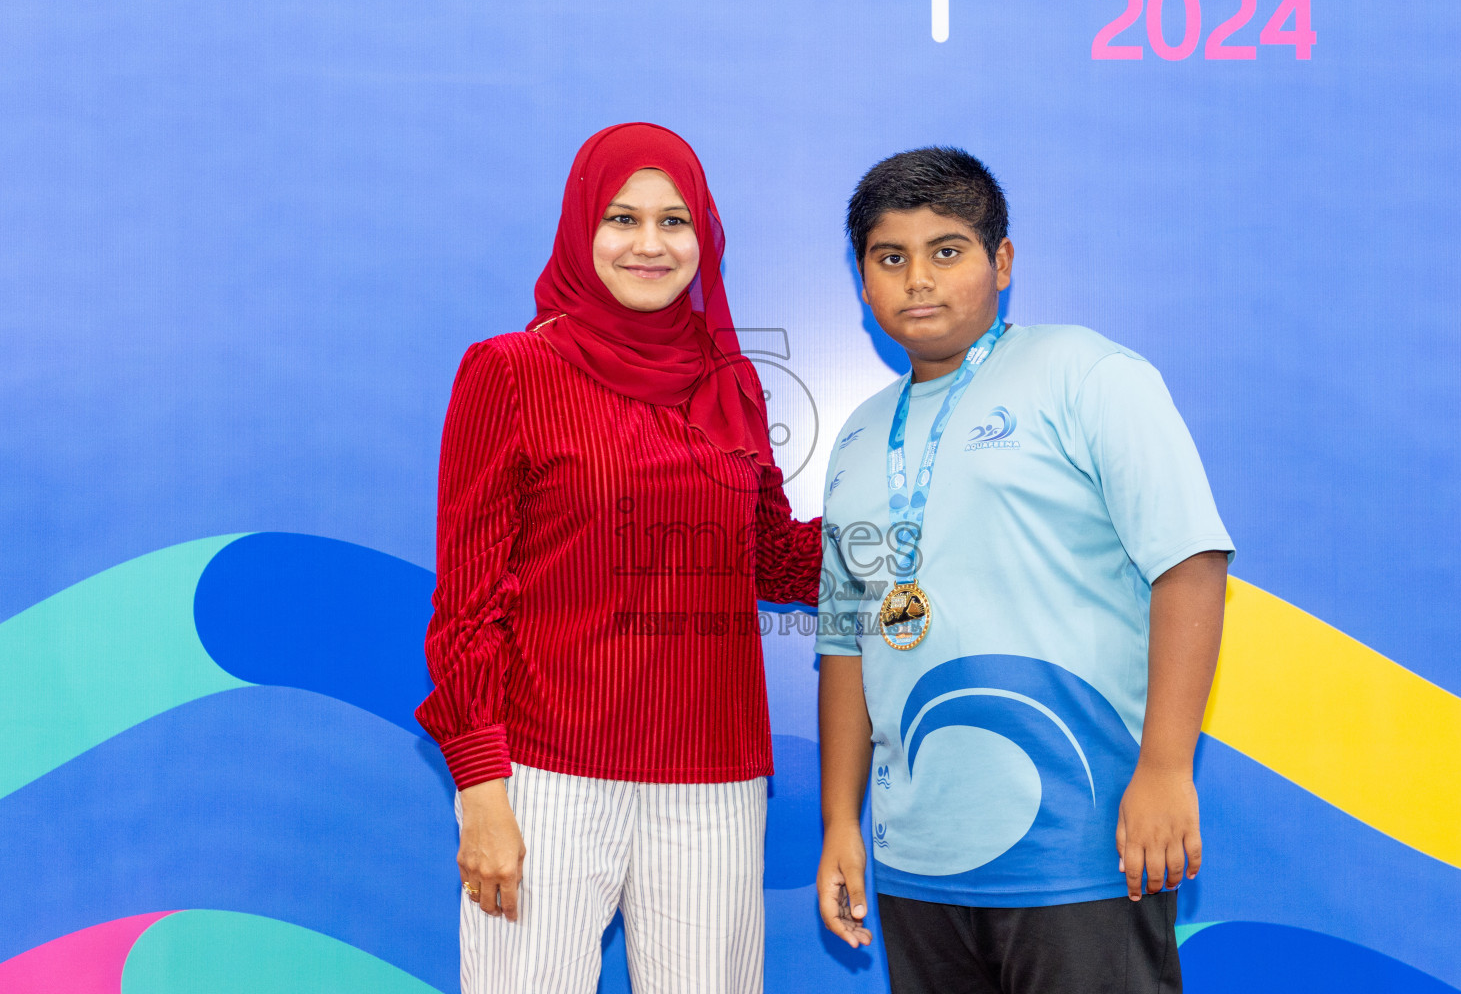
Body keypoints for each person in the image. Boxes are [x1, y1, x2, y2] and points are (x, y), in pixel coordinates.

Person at [416, 122, 822, 994]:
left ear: (703, 238)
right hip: (546, 773)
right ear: (579, 229)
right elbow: (468, 603)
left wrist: (929, 526)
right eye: (622, 218)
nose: (649, 244)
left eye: (674, 221)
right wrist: (482, 787)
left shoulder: (733, 379)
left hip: (714, 777)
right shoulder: (510, 372)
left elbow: (775, 563)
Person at [815, 147, 1233, 994]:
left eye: (948, 250)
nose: (919, 280)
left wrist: (1164, 768)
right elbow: (848, 640)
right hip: (917, 862)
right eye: (891, 258)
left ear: (1001, 263)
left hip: (1081, 844)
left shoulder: (1089, 374)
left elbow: (1189, 564)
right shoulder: (857, 436)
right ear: (864, 283)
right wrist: (838, 823)